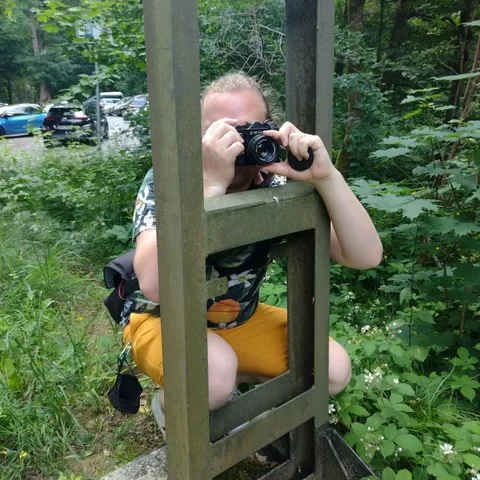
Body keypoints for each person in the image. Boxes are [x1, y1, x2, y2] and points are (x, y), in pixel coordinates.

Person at [121, 73, 383, 438]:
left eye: (251, 128)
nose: (239, 141)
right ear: (199, 137)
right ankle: (172, 405)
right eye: (222, 130)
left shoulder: (276, 184)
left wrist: (326, 178)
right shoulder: (169, 178)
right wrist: (210, 186)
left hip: (239, 319)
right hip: (161, 320)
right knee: (215, 376)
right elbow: (155, 286)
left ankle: (219, 385)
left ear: (271, 129)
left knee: (333, 370)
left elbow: (365, 256)